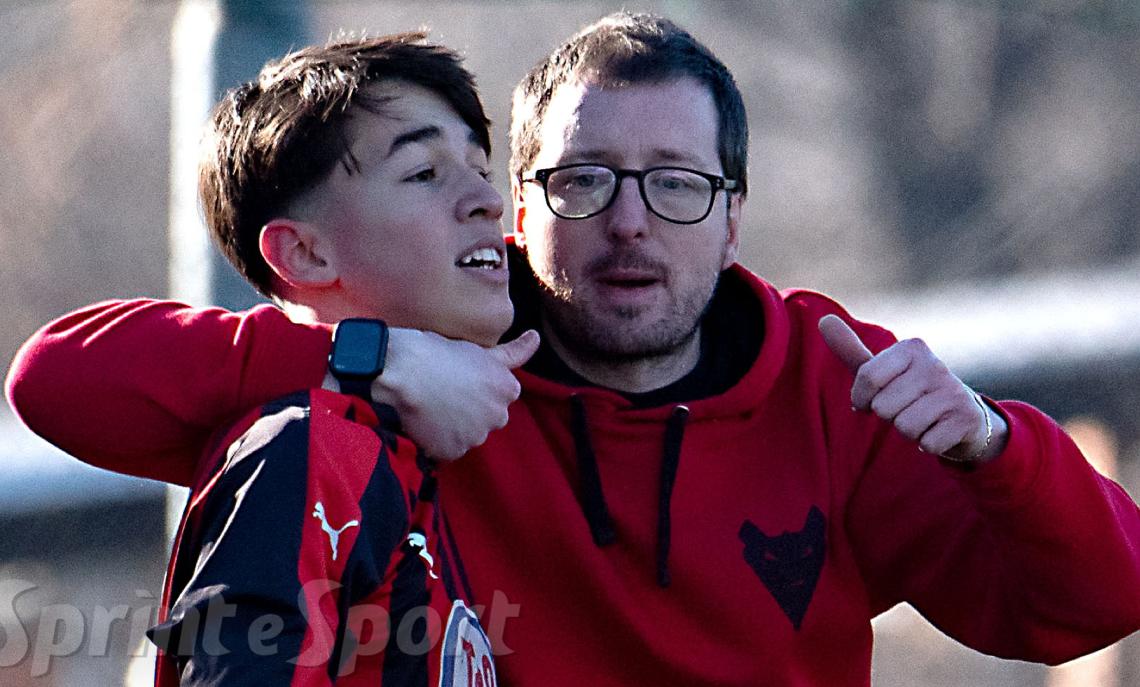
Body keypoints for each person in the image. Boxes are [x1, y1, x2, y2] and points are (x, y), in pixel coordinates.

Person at [7, 12, 1140, 686]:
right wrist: (366, 361)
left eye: (678, 185)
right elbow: (57, 378)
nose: (632, 222)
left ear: (734, 213)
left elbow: (1091, 603)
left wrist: (998, 449)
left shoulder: (838, 380)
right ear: (520, 205)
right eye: (585, 181)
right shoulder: (435, 361)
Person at [73, 33, 541, 686]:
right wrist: (376, 357)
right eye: (425, 173)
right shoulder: (308, 445)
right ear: (305, 255)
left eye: (480, 169)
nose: (488, 201)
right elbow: (55, 371)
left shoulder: (408, 443)